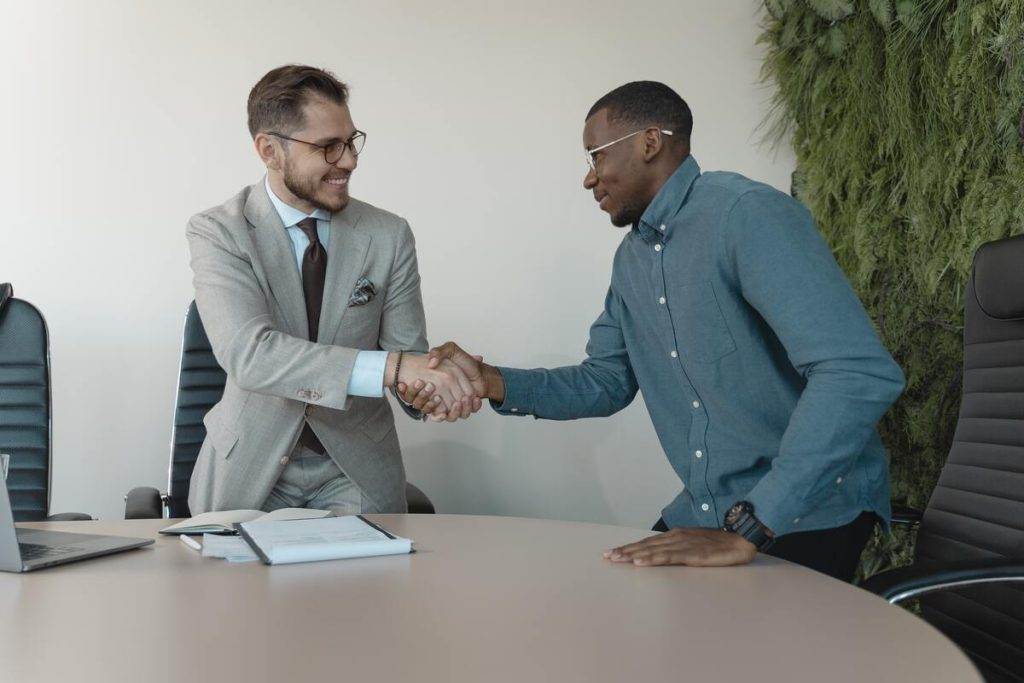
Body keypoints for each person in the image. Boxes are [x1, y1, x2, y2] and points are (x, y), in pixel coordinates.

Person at [400, 81, 905, 581]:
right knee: (621, 612)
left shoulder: (745, 214)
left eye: (595, 156)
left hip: (804, 511)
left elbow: (856, 372)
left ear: (649, 142)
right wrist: (490, 381)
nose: (588, 179)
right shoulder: (632, 260)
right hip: (712, 511)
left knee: (718, 656)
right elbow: (606, 382)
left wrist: (754, 525)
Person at [186, 64, 481, 516]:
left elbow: (406, 355)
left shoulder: (388, 234)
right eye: (328, 147)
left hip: (356, 467)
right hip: (250, 467)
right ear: (270, 150)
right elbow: (250, 355)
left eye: (351, 141)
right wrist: (398, 369)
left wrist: (429, 388)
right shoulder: (219, 231)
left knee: (365, 587)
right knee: (236, 587)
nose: (349, 160)